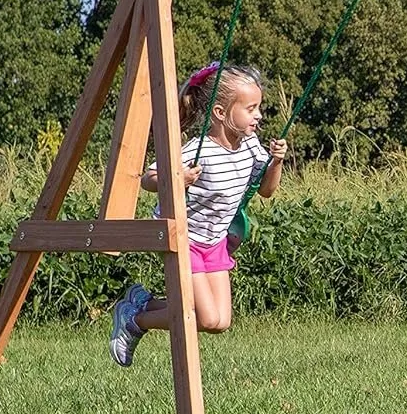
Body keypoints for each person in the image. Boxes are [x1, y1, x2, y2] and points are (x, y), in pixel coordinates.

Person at [109, 62, 286, 365]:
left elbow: (267, 191)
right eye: (251, 108)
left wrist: (276, 163)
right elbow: (149, 180)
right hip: (185, 237)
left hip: (215, 241)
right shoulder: (198, 149)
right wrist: (178, 177)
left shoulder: (251, 147)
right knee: (203, 316)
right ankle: (136, 320)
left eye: (259, 108)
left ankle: (141, 305)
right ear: (220, 113)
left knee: (219, 322)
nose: (258, 115)